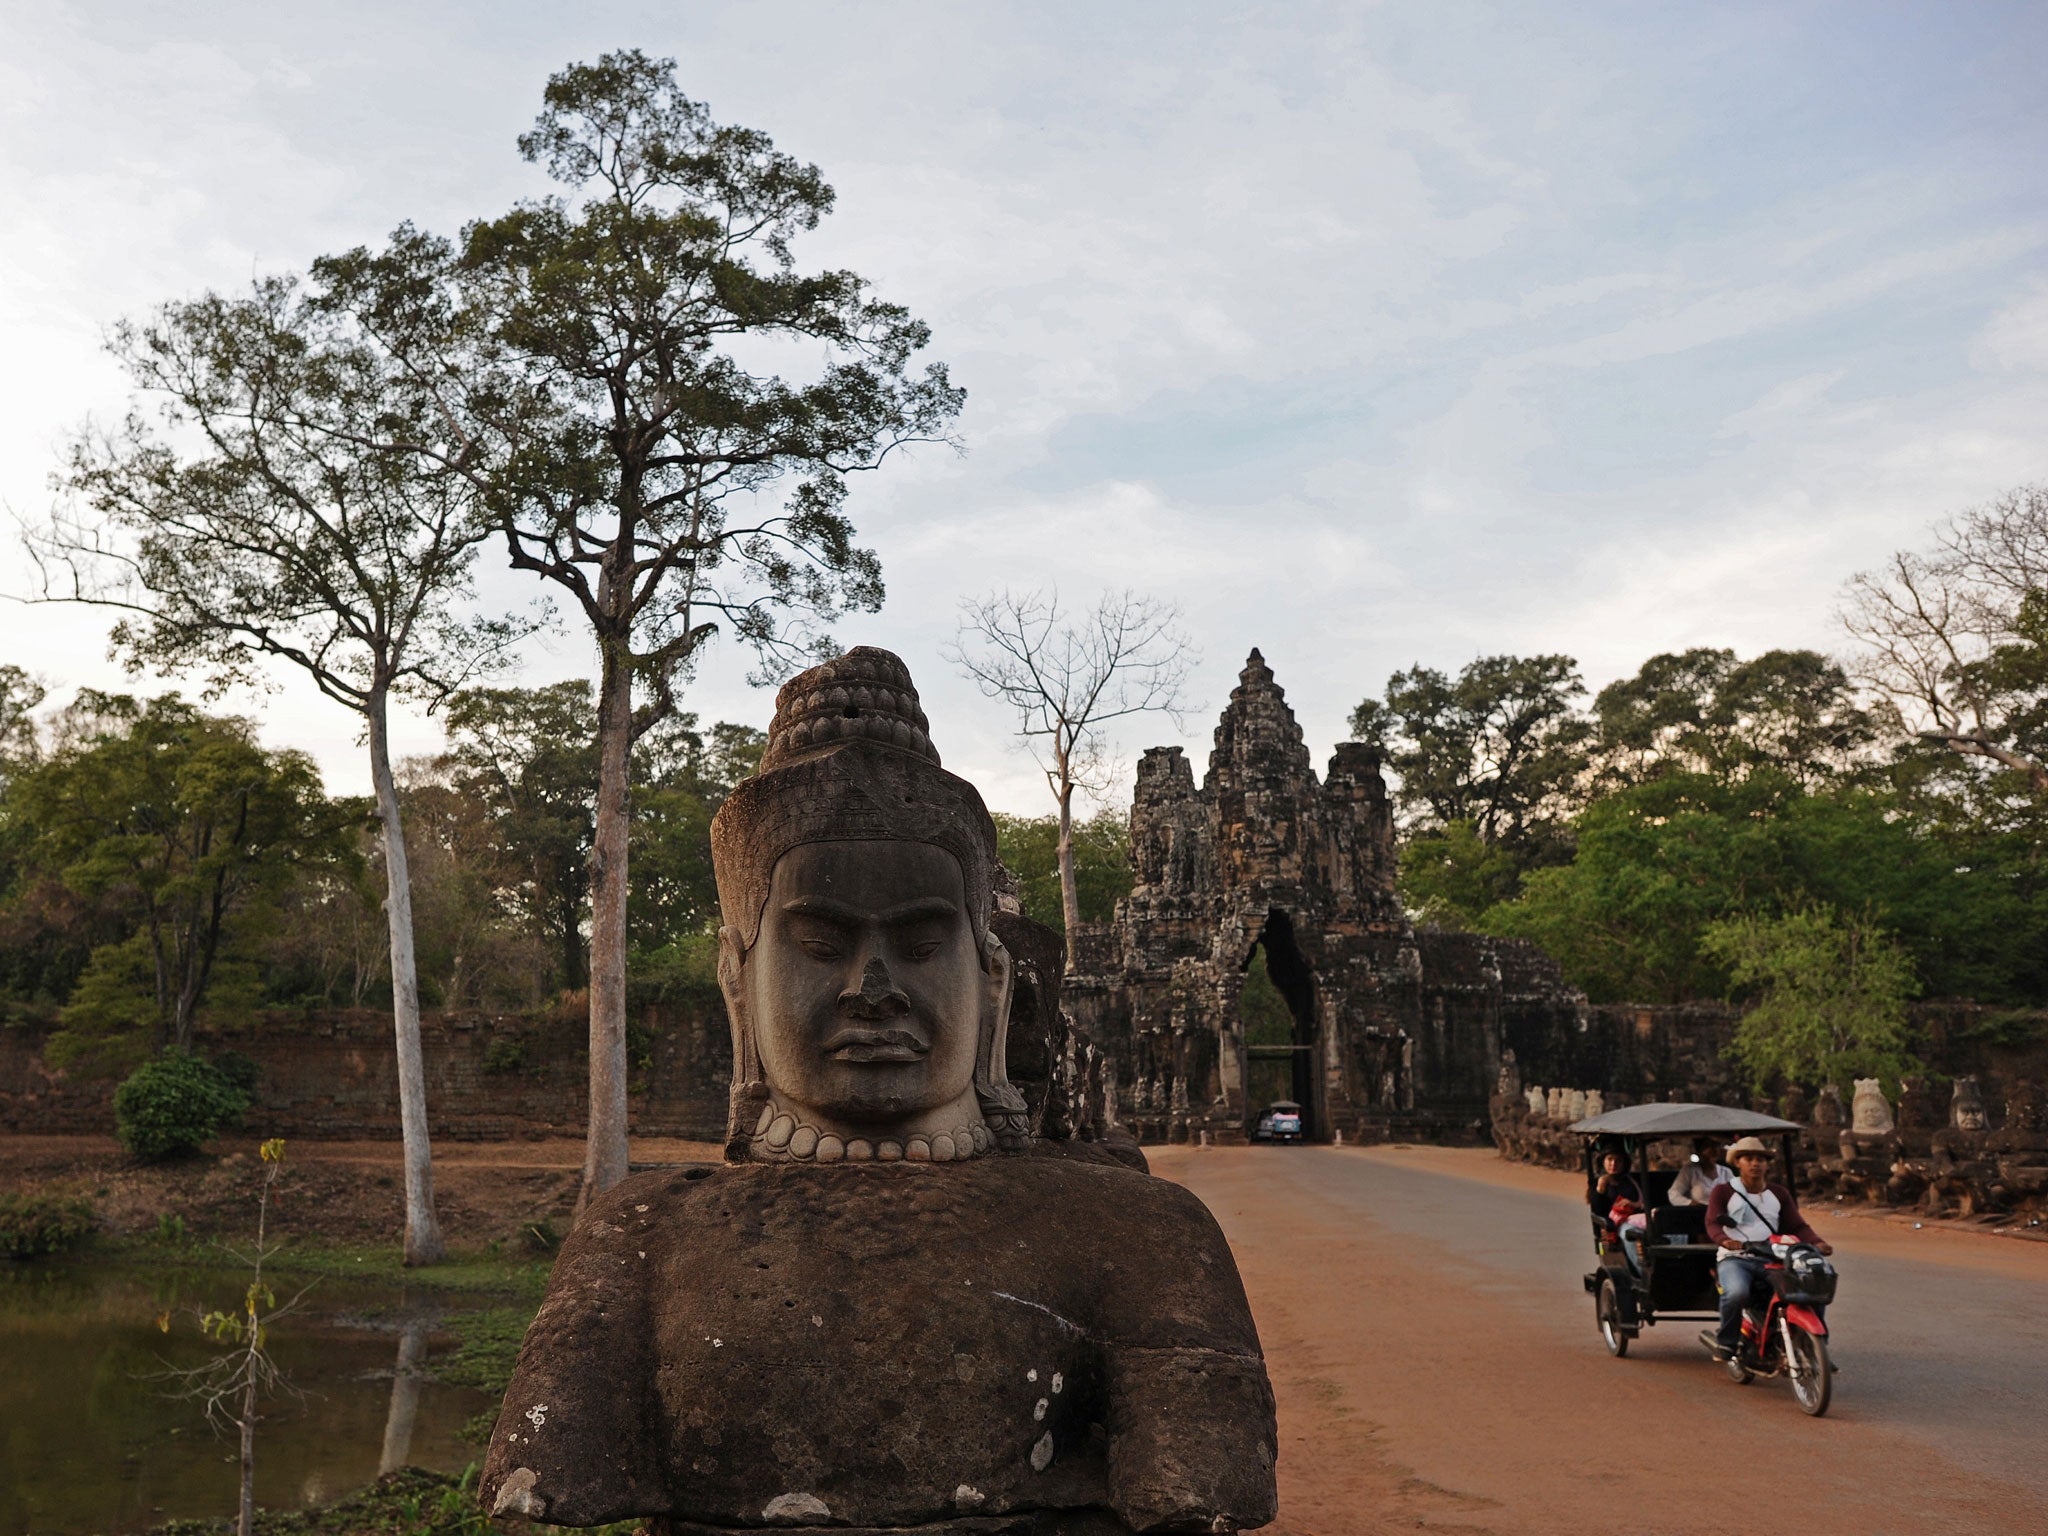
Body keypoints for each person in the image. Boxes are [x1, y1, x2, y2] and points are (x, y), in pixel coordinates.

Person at [1701, 1136, 1833, 1361]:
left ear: (1767, 1164)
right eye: (1749, 1159)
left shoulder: (1779, 1193)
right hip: (1735, 1258)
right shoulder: (1723, 1191)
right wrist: (1724, 1240)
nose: (1755, 1164)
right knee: (1737, 1293)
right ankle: (1727, 1342)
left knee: (1810, 1289)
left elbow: (1797, 1225)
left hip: (1772, 1258)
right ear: (1737, 1163)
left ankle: (1814, 1349)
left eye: (1760, 1159)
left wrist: (1817, 1242)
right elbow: (1712, 1222)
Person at [1668, 1137, 1734, 1206]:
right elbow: (1673, 1194)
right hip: (1699, 1213)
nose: (1714, 1150)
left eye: (1716, 1146)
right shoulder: (1690, 1170)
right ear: (1700, 1151)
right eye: (1708, 1146)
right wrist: (1690, 1203)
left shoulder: (1726, 1172)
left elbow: (1735, 1194)